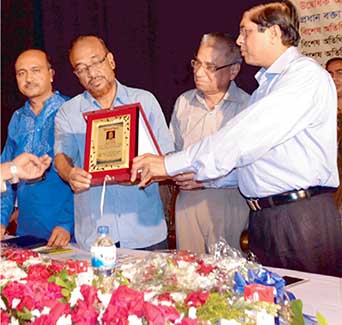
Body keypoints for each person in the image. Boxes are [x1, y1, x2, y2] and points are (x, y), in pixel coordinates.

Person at [131, 1, 342, 276]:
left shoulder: (304, 77)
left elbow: (243, 136)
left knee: (311, 312)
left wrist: (169, 164)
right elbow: (261, 160)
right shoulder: (266, 87)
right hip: (269, 218)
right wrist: (208, 178)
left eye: (247, 32)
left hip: (299, 219)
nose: (240, 40)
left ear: (275, 33)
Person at [54, 35, 174, 251]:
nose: (91, 73)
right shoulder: (68, 112)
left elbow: (167, 160)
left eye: (95, 62)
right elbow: (61, 156)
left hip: (145, 231)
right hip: (95, 234)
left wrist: (144, 172)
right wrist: (70, 173)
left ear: (111, 60)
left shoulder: (144, 101)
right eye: (81, 68)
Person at [170, 32, 250, 253]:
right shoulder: (183, 102)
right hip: (188, 202)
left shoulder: (248, 106)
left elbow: (252, 166)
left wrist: (207, 179)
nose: (198, 72)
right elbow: (174, 151)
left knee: (230, 275)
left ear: (233, 70)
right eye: (196, 63)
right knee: (188, 275)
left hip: (230, 201)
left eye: (210, 67)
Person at [1, 49, 74, 247]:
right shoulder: (17, 118)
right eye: (21, 73)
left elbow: (86, 172)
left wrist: (67, 222)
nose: (28, 78)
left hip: (66, 232)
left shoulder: (72, 111)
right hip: (28, 229)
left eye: (35, 70)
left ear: (51, 74)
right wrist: (1, 219)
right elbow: (6, 172)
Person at [326, 58, 342, 210]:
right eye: (329, 73)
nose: (334, 78)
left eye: (339, 73)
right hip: (330, 191)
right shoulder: (321, 114)